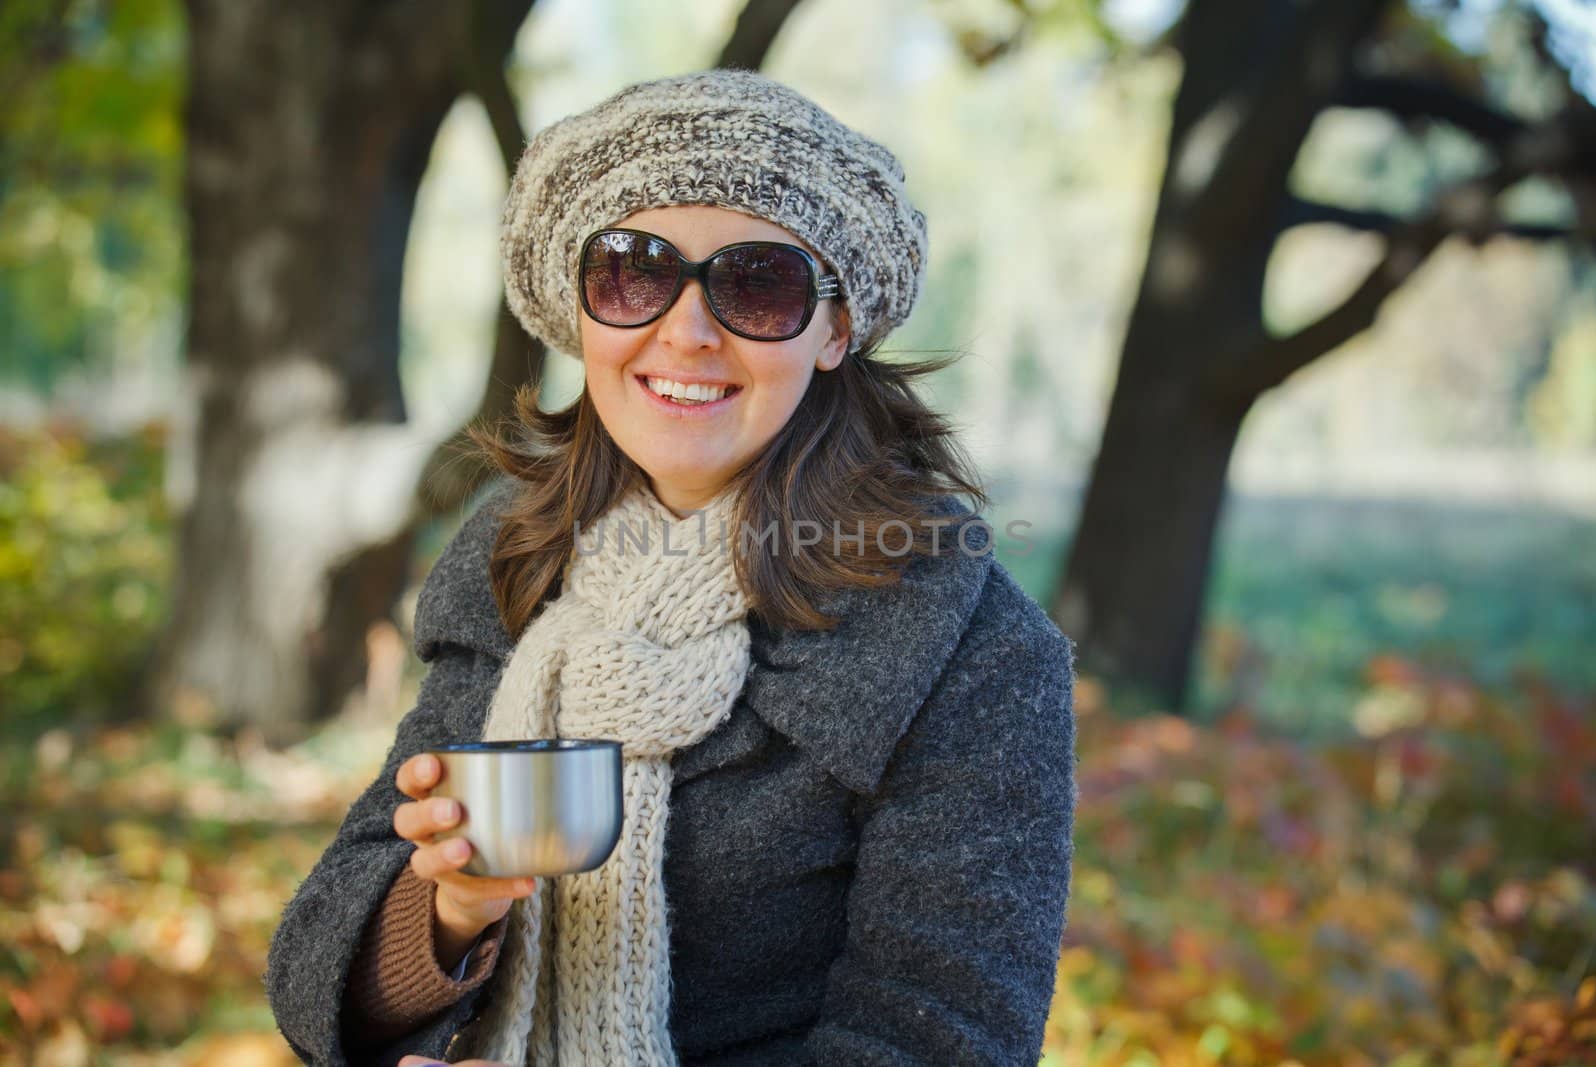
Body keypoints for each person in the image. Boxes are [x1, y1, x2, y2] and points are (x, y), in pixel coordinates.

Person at [265, 68, 1077, 1067]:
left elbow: (940, 1042)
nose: (685, 329)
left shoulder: (968, 646)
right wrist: (447, 906)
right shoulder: (513, 562)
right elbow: (311, 981)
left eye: (758, 283)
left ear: (835, 329)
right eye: (632, 271)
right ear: (583, 311)